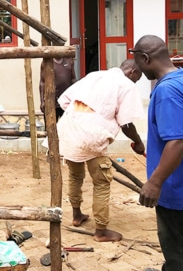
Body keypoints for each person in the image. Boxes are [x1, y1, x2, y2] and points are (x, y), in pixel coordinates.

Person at [56, 59, 146, 242]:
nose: (136, 82)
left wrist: (85, 116)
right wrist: (138, 143)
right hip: (92, 137)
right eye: (138, 78)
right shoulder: (126, 84)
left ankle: (76, 215)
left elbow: (65, 101)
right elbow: (126, 123)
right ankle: (101, 230)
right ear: (133, 72)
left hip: (69, 130)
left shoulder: (95, 75)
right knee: (102, 182)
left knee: (75, 176)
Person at [131, 35, 183, 271]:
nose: (139, 70)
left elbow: (177, 141)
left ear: (145, 58)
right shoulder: (180, 80)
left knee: (176, 252)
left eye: (138, 63)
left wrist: (155, 182)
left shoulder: (167, 91)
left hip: (175, 191)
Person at [39, 57, 77, 121]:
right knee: (50, 128)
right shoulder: (46, 62)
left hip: (67, 102)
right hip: (51, 102)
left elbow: (73, 79)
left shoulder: (69, 60)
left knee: (67, 127)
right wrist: (42, 101)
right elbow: (42, 82)